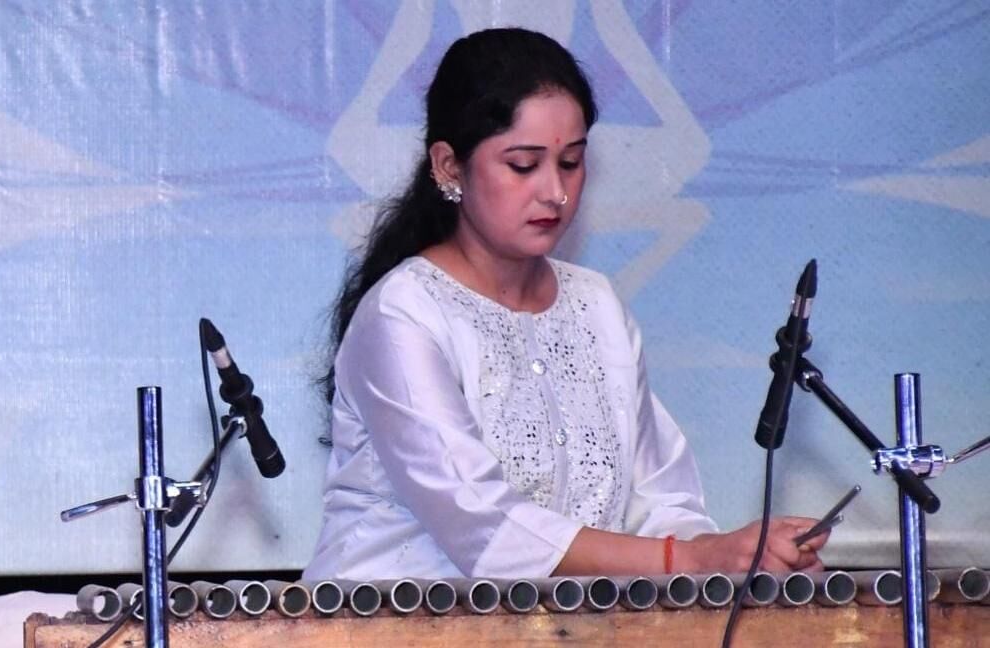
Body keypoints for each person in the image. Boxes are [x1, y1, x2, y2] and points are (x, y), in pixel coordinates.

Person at [304, 27, 827, 581]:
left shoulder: (595, 305)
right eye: (523, 165)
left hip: (575, 621)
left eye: (571, 163)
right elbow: (487, 529)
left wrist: (739, 557)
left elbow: (659, 501)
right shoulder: (403, 314)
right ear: (448, 166)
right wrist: (691, 559)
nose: (555, 192)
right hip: (389, 620)